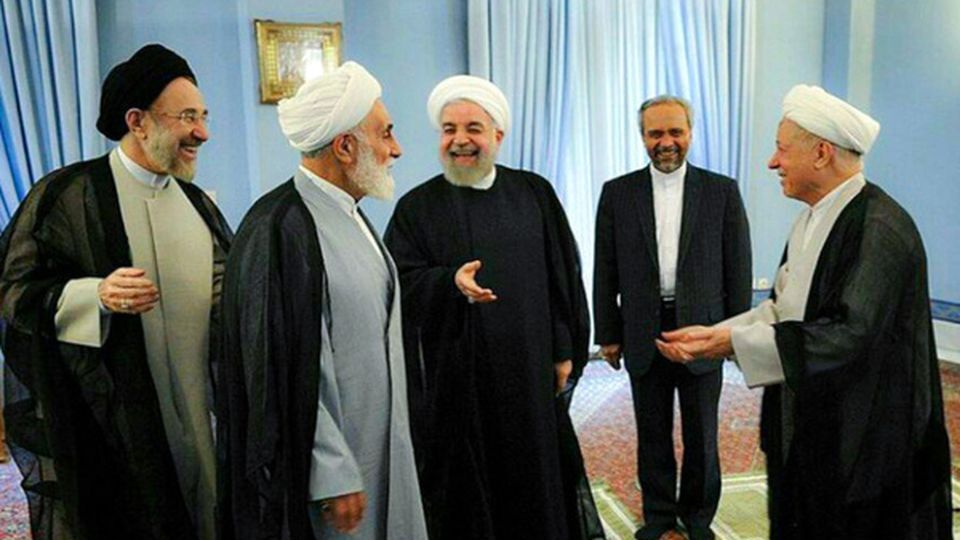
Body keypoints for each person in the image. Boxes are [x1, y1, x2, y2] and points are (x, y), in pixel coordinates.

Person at [657, 85, 953, 538]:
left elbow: (848, 334)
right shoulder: (812, 217)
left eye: (781, 149)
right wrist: (719, 336)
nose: (772, 162)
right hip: (811, 423)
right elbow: (785, 307)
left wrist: (731, 342)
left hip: (866, 440)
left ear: (820, 153)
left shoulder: (879, 227)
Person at [0, 44, 232, 539]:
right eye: (188, 117)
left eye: (204, 116)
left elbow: (228, 295)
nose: (203, 133)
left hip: (199, 425)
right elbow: (14, 291)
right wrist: (96, 296)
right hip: (113, 429)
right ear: (137, 121)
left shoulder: (198, 206)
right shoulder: (68, 195)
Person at [218, 61, 427, 540]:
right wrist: (332, 471)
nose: (396, 149)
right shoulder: (282, 227)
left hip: (381, 445)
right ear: (345, 147)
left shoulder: (351, 213)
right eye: (386, 134)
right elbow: (283, 364)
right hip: (335, 476)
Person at [385, 75, 598, 539]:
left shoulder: (534, 194)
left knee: (534, 479)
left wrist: (563, 350)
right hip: (458, 381)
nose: (460, 140)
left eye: (473, 128)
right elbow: (399, 280)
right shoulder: (417, 208)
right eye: (449, 129)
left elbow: (562, 277)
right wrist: (449, 283)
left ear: (497, 135)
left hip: (528, 373)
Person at [593, 95, 752, 540]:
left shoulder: (722, 191)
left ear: (690, 133)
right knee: (652, 432)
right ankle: (659, 516)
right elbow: (605, 268)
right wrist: (608, 333)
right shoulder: (617, 193)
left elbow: (738, 268)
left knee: (702, 433)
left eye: (675, 132)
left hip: (703, 332)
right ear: (642, 136)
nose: (666, 142)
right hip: (643, 330)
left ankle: (699, 519)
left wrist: (734, 335)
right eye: (656, 133)